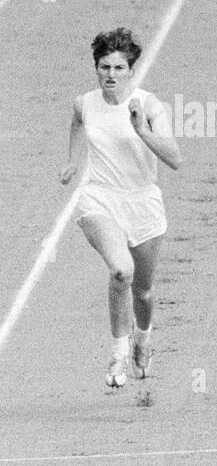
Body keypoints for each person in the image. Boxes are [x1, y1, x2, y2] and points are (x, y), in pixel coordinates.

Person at [60, 27, 181, 388]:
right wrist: (72, 161)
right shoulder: (85, 102)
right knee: (120, 271)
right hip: (100, 198)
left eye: (118, 68)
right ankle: (117, 354)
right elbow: (78, 123)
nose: (110, 75)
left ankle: (142, 341)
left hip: (143, 202)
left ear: (131, 70)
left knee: (143, 290)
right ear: (96, 67)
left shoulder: (149, 105)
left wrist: (142, 130)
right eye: (104, 67)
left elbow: (174, 158)